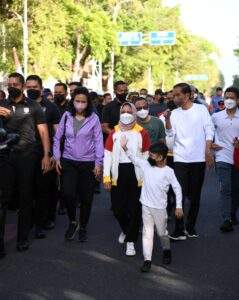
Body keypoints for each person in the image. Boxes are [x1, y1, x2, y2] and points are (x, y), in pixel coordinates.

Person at [0, 72, 51, 254]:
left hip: (27, 156)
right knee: (3, 199)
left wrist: (47, 155)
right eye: (9, 84)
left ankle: (22, 239)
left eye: (15, 84)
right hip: (5, 157)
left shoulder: (34, 106)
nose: (11, 86)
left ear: (22, 87)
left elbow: (44, 133)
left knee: (25, 197)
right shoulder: (1, 105)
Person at [121, 138, 183, 272]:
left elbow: (177, 188)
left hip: (160, 208)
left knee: (162, 233)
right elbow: (134, 159)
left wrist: (179, 206)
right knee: (147, 233)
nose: (149, 156)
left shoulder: (168, 172)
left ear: (160, 157)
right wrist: (125, 148)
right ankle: (147, 260)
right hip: (146, 206)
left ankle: (166, 249)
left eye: (152, 155)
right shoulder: (146, 166)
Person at [164, 83, 214, 240]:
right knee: (179, 193)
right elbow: (170, 135)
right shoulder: (174, 113)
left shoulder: (201, 110)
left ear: (187, 95)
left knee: (195, 194)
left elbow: (209, 130)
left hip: (198, 158)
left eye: (178, 95)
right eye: (174, 95)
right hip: (180, 158)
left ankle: (190, 227)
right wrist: (167, 120)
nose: (175, 97)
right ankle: (179, 229)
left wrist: (207, 152)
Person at [53, 87, 104, 242]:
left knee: (86, 197)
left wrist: (98, 163)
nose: (80, 105)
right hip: (68, 161)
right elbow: (57, 138)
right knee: (68, 194)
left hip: (88, 162)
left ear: (88, 103)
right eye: (77, 101)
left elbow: (98, 141)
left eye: (83, 102)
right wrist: (56, 157)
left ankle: (83, 227)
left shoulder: (94, 118)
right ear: (72, 101)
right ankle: (72, 222)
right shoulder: (67, 116)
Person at [103, 102, 151, 256]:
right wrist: (106, 176)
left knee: (135, 209)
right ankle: (127, 230)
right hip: (118, 173)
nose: (126, 114)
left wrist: (146, 177)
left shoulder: (141, 132)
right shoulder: (114, 132)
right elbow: (107, 155)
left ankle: (131, 241)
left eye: (129, 111)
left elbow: (146, 155)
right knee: (118, 209)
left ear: (134, 113)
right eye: (123, 111)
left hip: (136, 174)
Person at [26, 75, 61, 235]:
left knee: (47, 188)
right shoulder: (22, 105)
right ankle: (32, 219)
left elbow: (57, 133)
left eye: (35, 87)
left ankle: (48, 218)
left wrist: (54, 154)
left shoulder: (51, 107)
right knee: (30, 189)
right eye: (29, 87)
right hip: (27, 153)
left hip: (46, 153)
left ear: (41, 88)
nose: (31, 90)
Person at [211, 87, 239, 232]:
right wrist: (211, 144)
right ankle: (227, 218)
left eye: (232, 98)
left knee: (236, 188)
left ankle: (233, 212)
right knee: (226, 188)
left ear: (237, 100)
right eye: (226, 97)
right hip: (222, 157)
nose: (228, 100)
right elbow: (208, 132)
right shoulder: (216, 117)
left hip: (237, 158)